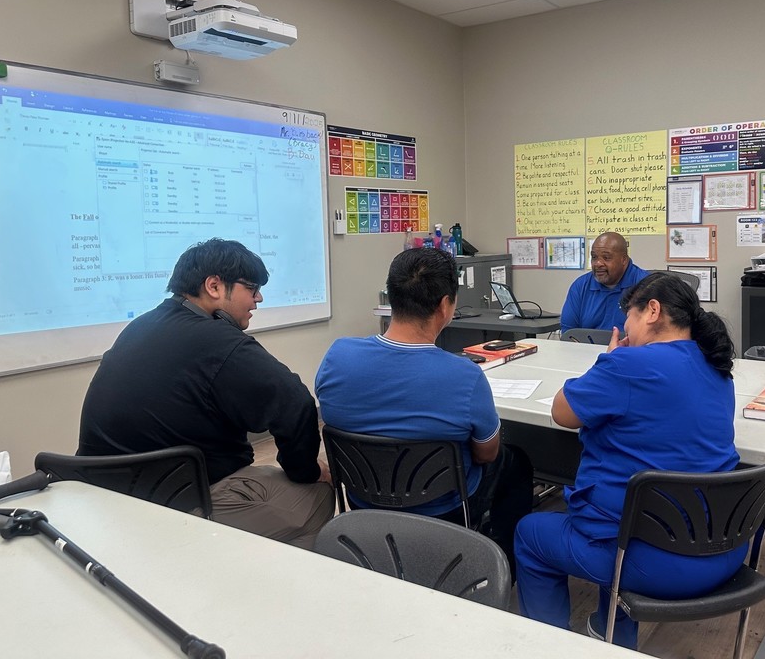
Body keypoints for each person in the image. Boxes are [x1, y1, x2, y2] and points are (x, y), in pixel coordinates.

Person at [514, 272, 742, 649]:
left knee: (532, 534)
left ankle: (549, 649)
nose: (625, 329)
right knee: (626, 512)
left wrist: (606, 360)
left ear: (652, 311)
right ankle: (610, 631)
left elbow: (562, 413)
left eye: (629, 318)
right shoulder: (718, 368)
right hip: (724, 549)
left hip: (655, 563)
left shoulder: (626, 366)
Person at [77, 238, 334, 549]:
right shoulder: (221, 342)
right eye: (251, 288)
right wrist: (305, 469)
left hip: (103, 498)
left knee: (266, 475)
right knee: (318, 492)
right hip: (179, 506)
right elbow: (296, 404)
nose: (258, 299)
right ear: (214, 286)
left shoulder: (139, 327)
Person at [315, 247, 533, 572]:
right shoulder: (465, 376)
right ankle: (500, 569)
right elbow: (487, 455)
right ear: (445, 305)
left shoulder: (337, 356)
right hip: (441, 507)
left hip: (362, 500)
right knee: (516, 463)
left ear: (391, 297)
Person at [559, 231, 649, 333]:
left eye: (606, 258)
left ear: (624, 260)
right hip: (587, 348)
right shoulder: (581, 287)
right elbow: (568, 332)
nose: (598, 263)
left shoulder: (645, 286)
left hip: (630, 348)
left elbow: (655, 335)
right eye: (594, 257)